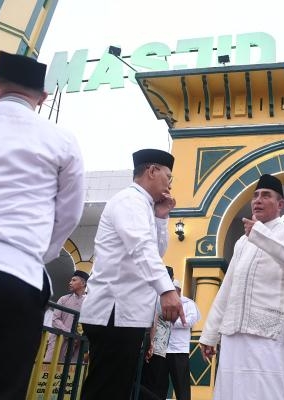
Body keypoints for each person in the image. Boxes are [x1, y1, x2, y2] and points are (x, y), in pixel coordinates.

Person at [0, 50, 84, 399]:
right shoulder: (61, 140)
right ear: (43, 98)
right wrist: (35, 254)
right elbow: (70, 214)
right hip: (13, 277)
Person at [79, 149, 185, 400]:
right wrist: (167, 289)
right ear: (152, 171)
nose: (169, 183)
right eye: (168, 177)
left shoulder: (144, 206)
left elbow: (155, 252)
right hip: (114, 312)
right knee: (105, 390)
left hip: (126, 315)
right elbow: (141, 248)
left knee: (115, 389)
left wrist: (161, 218)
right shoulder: (130, 201)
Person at [199, 174, 284, 400]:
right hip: (233, 332)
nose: (257, 200)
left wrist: (260, 234)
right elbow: (227, 289)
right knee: (231, 392)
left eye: (265, 195)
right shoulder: (242, 242)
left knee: (265, 393)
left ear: (280, 205)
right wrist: (209, 334)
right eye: (255, 196)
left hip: (268, 333)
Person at [142, 279, 201, 400]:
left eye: (175, 291)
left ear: (179, 291)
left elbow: (189, 321)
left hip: (178, 351)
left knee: (181, 387)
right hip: (160, 350)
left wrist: (168, 320)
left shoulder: (188, 304)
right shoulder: (159, 302)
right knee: (158, 385)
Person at [45, 270, 90, 363]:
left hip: (76, 345)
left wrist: (78, 337)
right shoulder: (63, 299)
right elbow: (55, 320)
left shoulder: (89, 303)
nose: (70, 283)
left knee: (70, 372)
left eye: (73, 280)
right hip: (59, 340)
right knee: (48, 369)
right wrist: (70, 333)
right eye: (70, 280)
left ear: (83, 283)